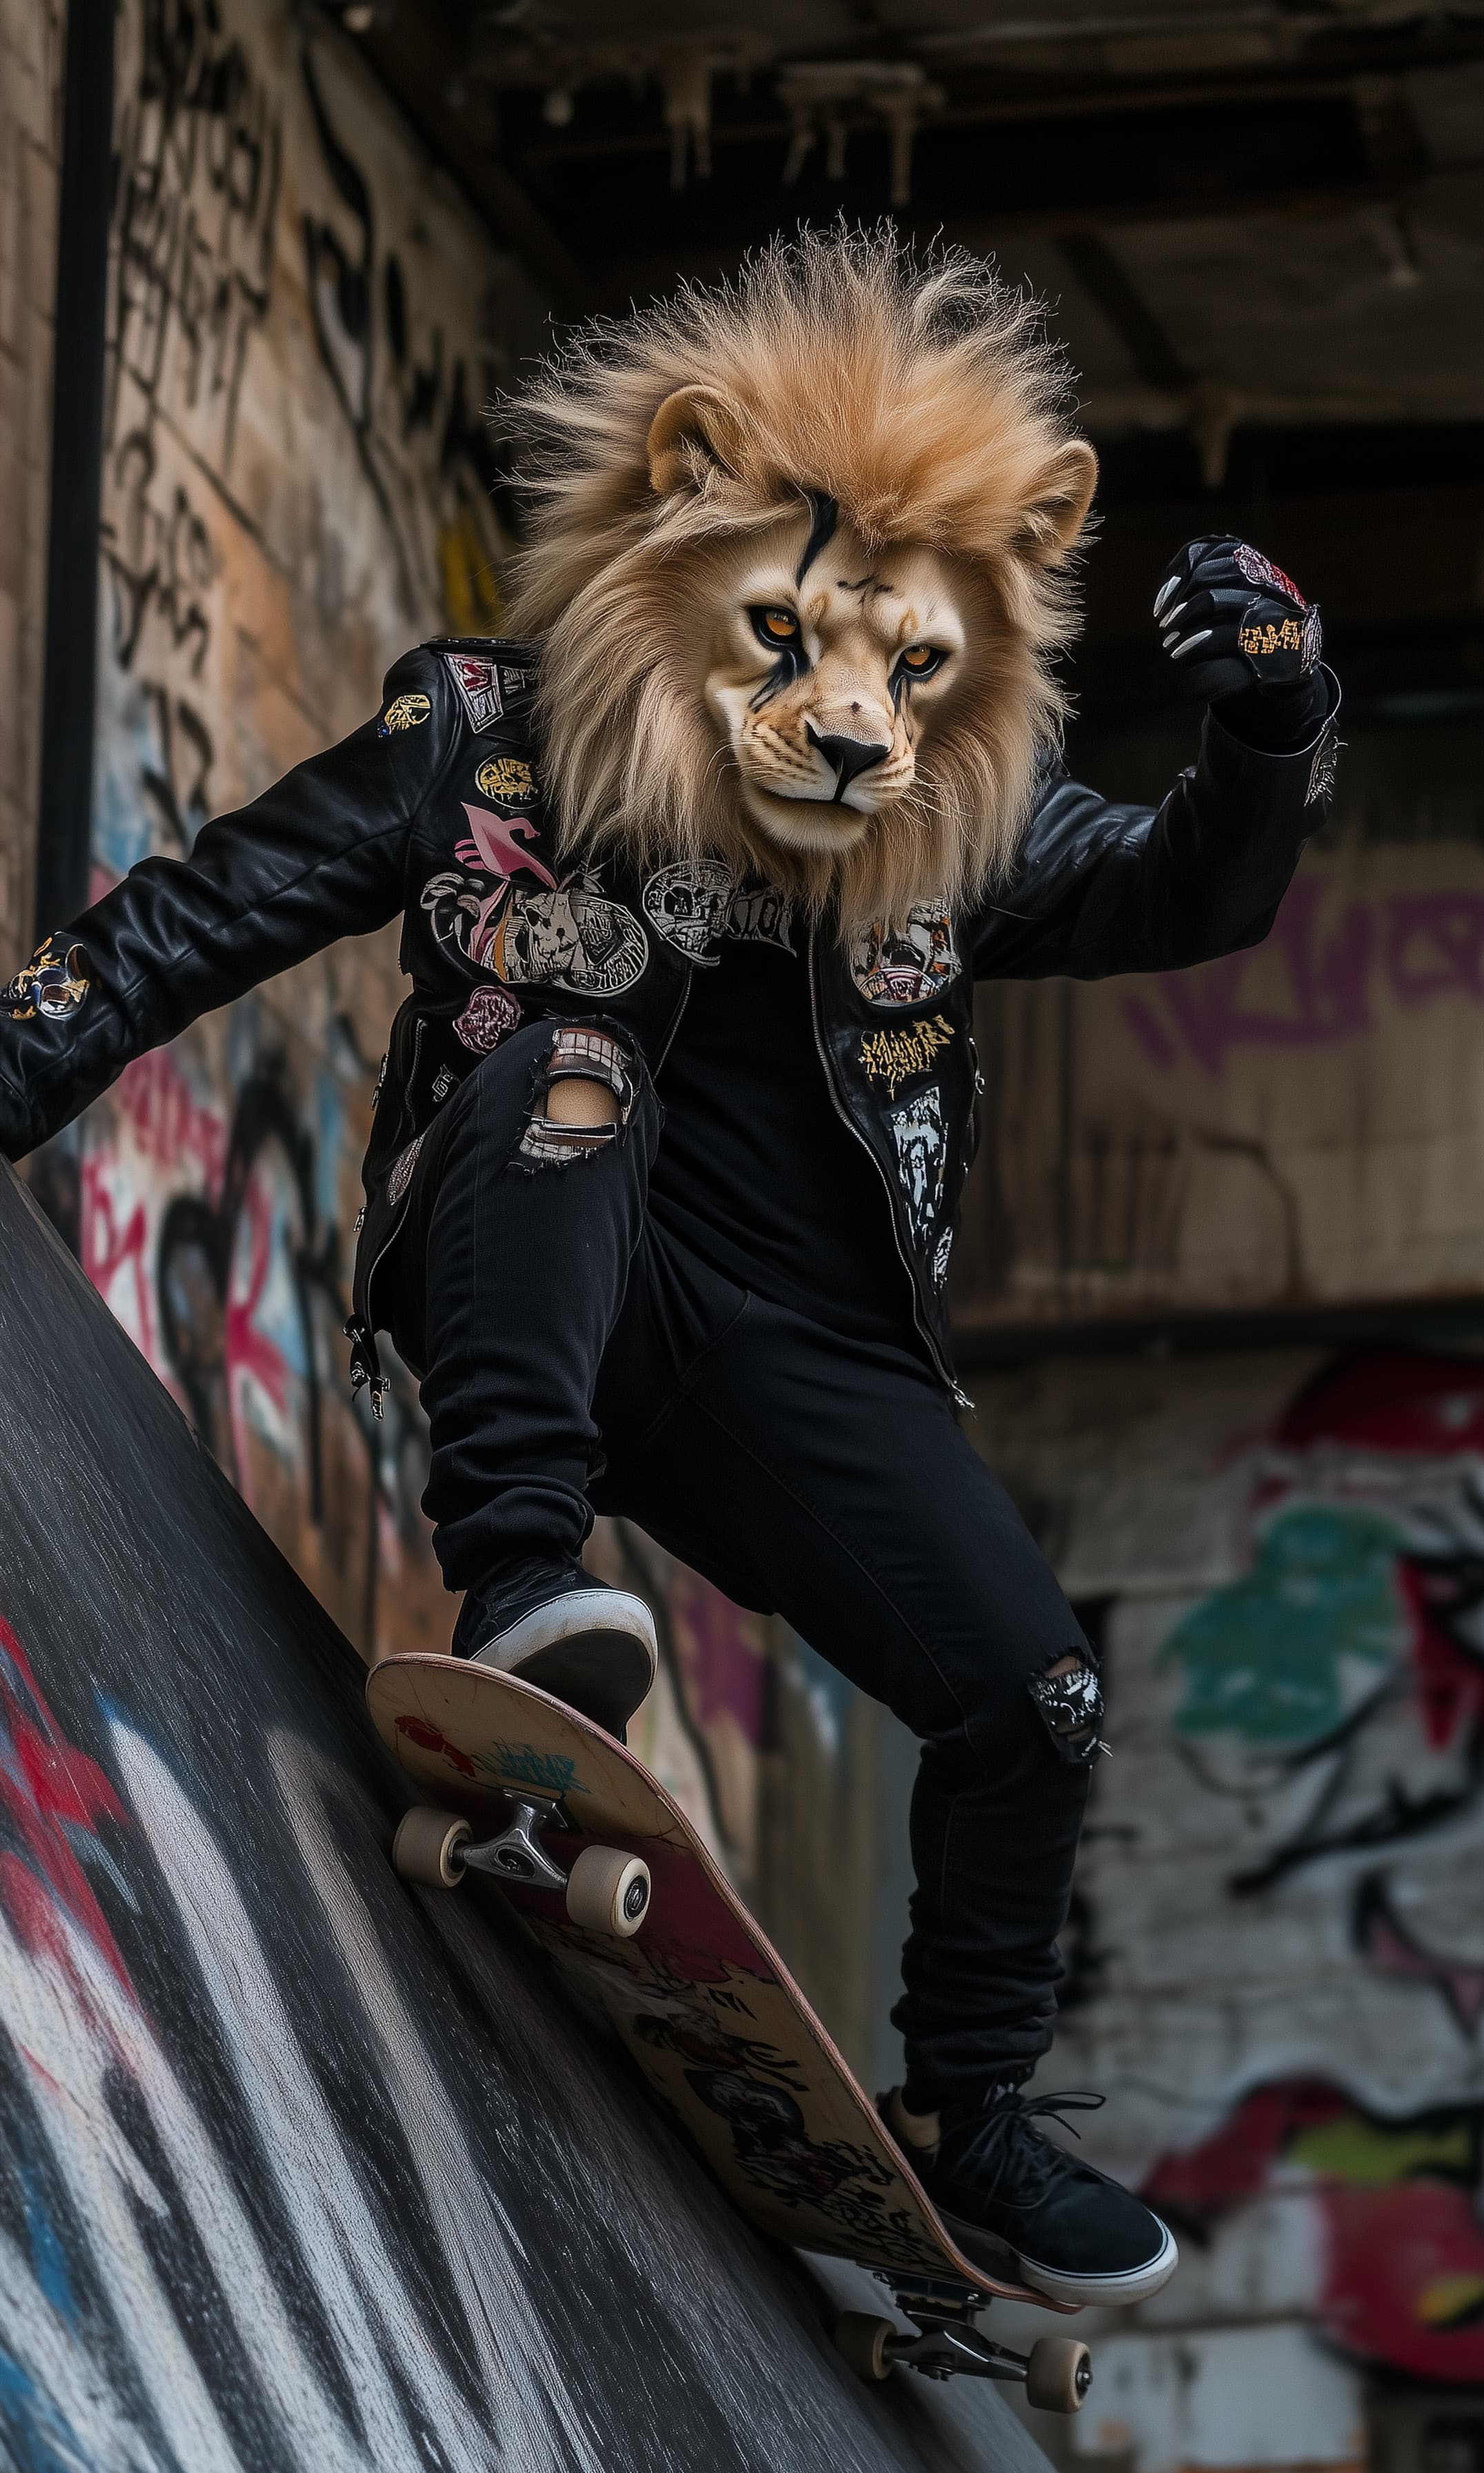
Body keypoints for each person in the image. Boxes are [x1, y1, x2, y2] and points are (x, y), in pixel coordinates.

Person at [0, 232, 1339, 2307]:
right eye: (792, 642)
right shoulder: (487, 741)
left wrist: (1268, 739)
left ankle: (971, 2119)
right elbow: (205, 910)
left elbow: (1183, 897)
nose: (849, 720)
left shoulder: (958, 833)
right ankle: (525, 1579)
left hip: (792, 1361)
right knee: (572, 1077)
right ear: (676, 533)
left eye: (908, 671)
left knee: (1043, 1697)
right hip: (538, 1253)